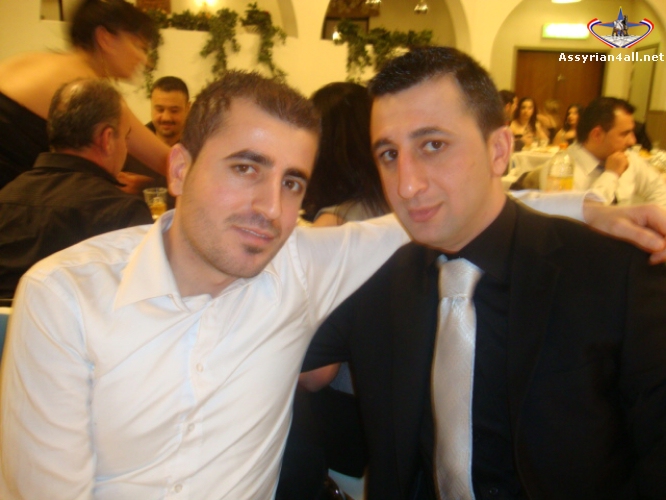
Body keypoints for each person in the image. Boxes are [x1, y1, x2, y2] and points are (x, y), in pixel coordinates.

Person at [3, 70, 666, 499]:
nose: (270, 208)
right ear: (178, 169)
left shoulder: (299, 263)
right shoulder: (66, 298)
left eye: (292, 181)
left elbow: (446, 209)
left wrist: (590, 210)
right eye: (244, 167)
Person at [302, 46, 666, 499]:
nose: (407, 184)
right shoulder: (376, 280)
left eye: (433, 145)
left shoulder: (616, 276)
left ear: (499, 150)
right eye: (389, 154)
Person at [0, 79, 153, 299]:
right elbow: (143, 299)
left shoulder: (5, 199)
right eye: (125, 137)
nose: (125, 148)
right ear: (107, 139)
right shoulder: (122, 212)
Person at [0, 0, 169, 191]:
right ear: (105, 38)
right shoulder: (84, 88)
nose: (144, 59)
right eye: (138, 46)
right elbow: (168, 161)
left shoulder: (31, 60)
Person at [565, 97, 666, 207]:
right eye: (624, 134)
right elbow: (584, 212)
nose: (632, 141)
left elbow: (659, 191)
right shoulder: (563, 169)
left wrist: (655, 217)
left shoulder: (628, 157)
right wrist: (611, 174)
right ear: (597, 135)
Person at [148, 76, 191, 147]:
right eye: (160, 110)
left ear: (188, 108)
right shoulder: (133, 143)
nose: (166, 118)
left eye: (174, 111)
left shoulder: (202, 147)